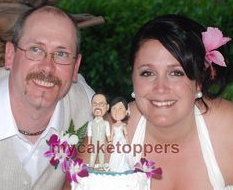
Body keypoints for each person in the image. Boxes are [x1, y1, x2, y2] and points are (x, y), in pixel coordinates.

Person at [126, 14, 233, 190]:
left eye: (176, 73)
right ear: (133, 78)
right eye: (147, 73)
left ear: (199, 81)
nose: (160, 88)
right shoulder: (108, 136)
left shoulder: (229, 130)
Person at [0, 6, 94, 190]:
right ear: (10, 55)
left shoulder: (88, 107)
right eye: (35, 49)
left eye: (61, 54)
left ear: (75, 67)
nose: (47, 68)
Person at [87, 93, 111, 169]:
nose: (97, 106)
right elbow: (89, 134)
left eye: (101, 104)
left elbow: (108, 134)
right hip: (93, 142)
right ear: (91, 106)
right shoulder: (91, 123)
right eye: (95, 104)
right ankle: (91, 165)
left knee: (101, 154)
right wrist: (89, 143)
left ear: (107, 107)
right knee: (93, 154)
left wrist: (110, 142)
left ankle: (101, 166)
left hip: (102, 142)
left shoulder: (106, 123)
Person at [108, 96, 130, 172]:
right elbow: (111, 135)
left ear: (126, 112)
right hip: (115, 141)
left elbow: (126, 134)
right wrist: (110, 142)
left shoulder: (123, 125)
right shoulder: (113, 126)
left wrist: (127, 143)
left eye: (120, 108)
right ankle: (115, 166)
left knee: (122, 153)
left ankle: (123, 166)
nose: (117, 111)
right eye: (114, 108)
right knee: (115, 154)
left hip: (122, 141)